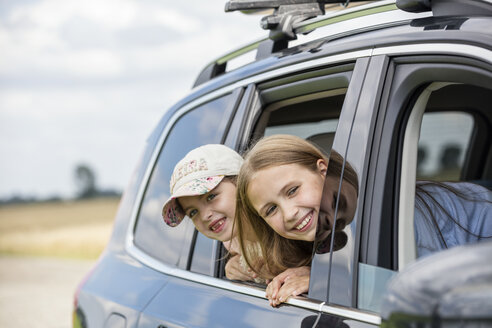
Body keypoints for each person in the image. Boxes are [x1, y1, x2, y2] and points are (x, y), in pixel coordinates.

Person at [235, 134, 359, 306]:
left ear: (323, 171)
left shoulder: (394, 211)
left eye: (292, 191)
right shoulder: (283, 263)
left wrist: (325, 278)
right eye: (271, 209)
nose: (288, 214)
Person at [161, 144, 263, 283]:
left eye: (211, 197)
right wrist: (231, 267)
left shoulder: (280, 224)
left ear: (242, 184)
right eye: (193, 212)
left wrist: (303, 275)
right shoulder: (231, 243)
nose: (204, 216)